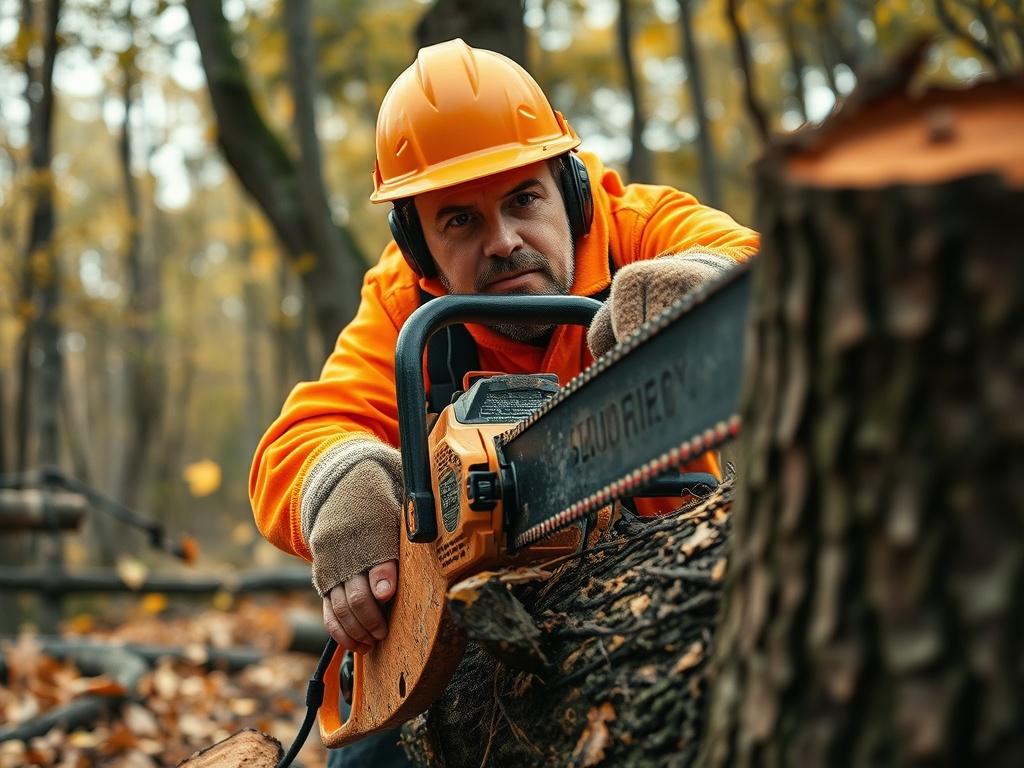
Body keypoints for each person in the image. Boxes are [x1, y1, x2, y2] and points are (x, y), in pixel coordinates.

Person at [250, 38, 758, 765]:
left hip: (656, 572)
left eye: (523, 199)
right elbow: (301, 433)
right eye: (460, 219)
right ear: (417, 246)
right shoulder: (404, 305)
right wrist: (340, 481)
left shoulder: (637, 229)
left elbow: (762, 268)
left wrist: (701, 289)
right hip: (475, 614)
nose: (503, 241)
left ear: (571, 189)